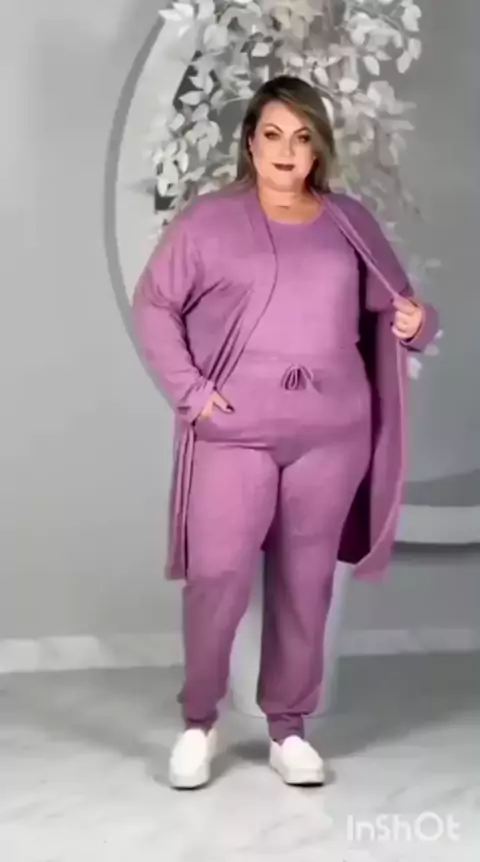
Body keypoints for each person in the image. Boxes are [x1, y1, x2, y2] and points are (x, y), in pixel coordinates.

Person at [132, 75, 439, 789]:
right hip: (236, 431)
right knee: (217, 575)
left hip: (332, 436)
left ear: (318, 148)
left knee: (307, 583)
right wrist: (194, 396)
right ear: (249, 142)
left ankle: (288, 729)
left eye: (302, 137)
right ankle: (199, 722)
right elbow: (154, 306)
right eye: (272, 134)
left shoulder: (348, 223)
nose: (286, 150)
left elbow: (406, 308)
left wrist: (419, 323)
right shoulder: (210, 222)